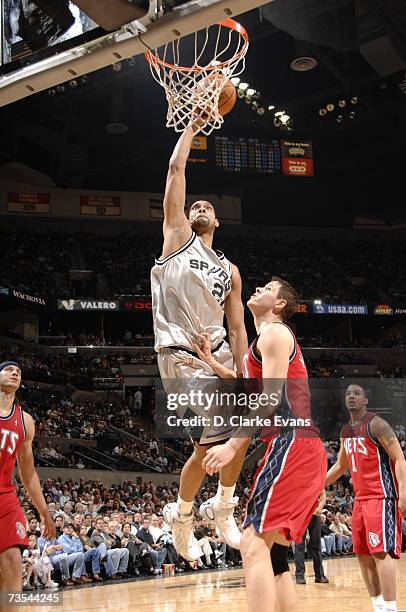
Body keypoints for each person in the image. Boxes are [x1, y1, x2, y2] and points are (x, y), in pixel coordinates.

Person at [199, 277, 327, 612]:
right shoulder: (265, 341)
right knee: (275, 557)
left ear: (280, 304)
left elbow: (269, 397)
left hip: (291, 443)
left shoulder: (275, 332)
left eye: (267, 290)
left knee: (252, 543)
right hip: (302, 447)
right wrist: (213, 363)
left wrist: (231, 446)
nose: (257, 291)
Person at [150, 127, 248, 560]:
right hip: (182, 355)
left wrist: (244, 368)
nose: (201, 207)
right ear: (187, 218)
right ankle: (215, 507)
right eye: (196, 206)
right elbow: (174, 168)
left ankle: (194, 512)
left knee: (223, 440)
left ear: (218, 221)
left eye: (208, 206)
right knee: (230, 432)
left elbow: (239, 324)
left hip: (223, 356)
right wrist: (191, 124)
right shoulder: (176, 238)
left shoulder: (231, 269)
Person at [326, 383, 406, 612]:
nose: (351, 396)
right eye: (348, 393)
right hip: (360, 501)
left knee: (380, 552)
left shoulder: (377, 424)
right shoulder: (345, 431)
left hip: (381, 497)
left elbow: (400, 460)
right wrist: (315, 485)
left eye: (357, 393)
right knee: (362, 554)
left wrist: (404, 494)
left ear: (365, 401)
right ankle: (378, 606)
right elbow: (341, 466)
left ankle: (391, 608)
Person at [0, 361, 56, 608]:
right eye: (8, 369)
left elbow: (28, 472)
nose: (15, 373)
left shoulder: (25, 421)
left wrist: (44, 512)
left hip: (5, 495)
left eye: (19, 372)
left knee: (13, 559)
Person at [294, 491, 329, 585]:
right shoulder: (295, 477)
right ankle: (299, 575)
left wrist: (320, 506)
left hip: (314, 513)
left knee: (316, 545)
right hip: (299, 514)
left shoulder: (315, 476)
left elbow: (322, 492)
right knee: (299, 545)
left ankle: (320, 575)